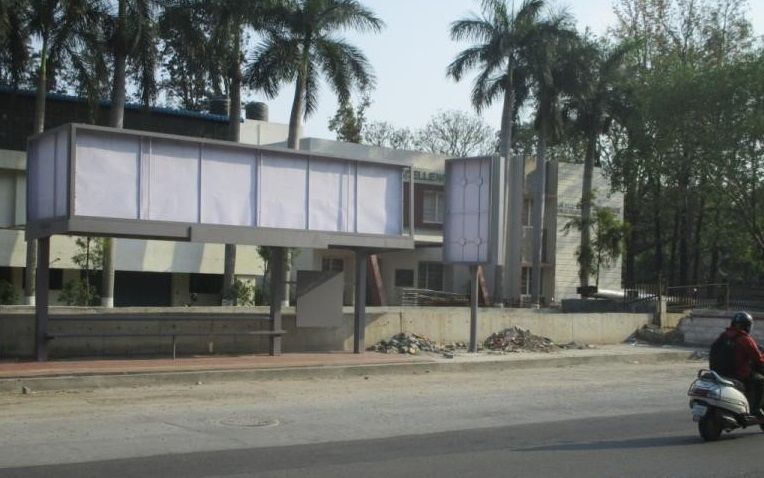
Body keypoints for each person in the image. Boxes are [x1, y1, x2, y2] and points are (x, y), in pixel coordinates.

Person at [711, 311, 764, 415]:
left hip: (718, 373)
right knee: (761, 381)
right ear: (747, 326)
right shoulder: (745, 339)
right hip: (737, 374)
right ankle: (756, 409)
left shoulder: (724, 336)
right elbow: (758, 358)